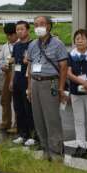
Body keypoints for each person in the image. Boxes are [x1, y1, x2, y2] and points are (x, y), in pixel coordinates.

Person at [26, 15, 68, 161]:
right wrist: (29, 88)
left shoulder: (58, 44)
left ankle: (56, 153)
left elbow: (63, 67)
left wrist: (61, 89)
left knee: (52, 119)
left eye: (42, 24)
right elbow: (30, 66)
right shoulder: (32, 45)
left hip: (50, 83)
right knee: (38, 118)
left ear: (49, 26)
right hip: (35, 82)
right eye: (36, 24)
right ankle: (45, 150)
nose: (38, 27)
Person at [67, 29, 87, 159]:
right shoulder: (70, 55)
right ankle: (80, 145)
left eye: (82, 38)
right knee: (78, 119)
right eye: (77, 38)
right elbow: (68, 73)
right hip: (76, 91)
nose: (79, 41)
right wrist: (83, 82)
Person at [9, 21, 36, 146]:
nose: (19, 31)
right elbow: (15, 65)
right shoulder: (17, 45)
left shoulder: (34, 45)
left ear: (28, 30)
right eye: (17, 30)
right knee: (18, 108)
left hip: (28, 80)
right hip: (18, 80)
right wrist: (11, 80)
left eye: (21, 29)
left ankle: (33, 135)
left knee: (29, 109)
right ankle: (22, 134)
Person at [0, 23, 18, 131]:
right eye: (7, 35)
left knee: (17, 100)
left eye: (11, 34)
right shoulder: (5, 46)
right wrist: (2, 66)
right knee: (5, 99)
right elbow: (0, 60)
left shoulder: (20, 45)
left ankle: (17, 124)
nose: (9, 37)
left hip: (18, 73)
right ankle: (6, 122)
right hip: (7, 74)